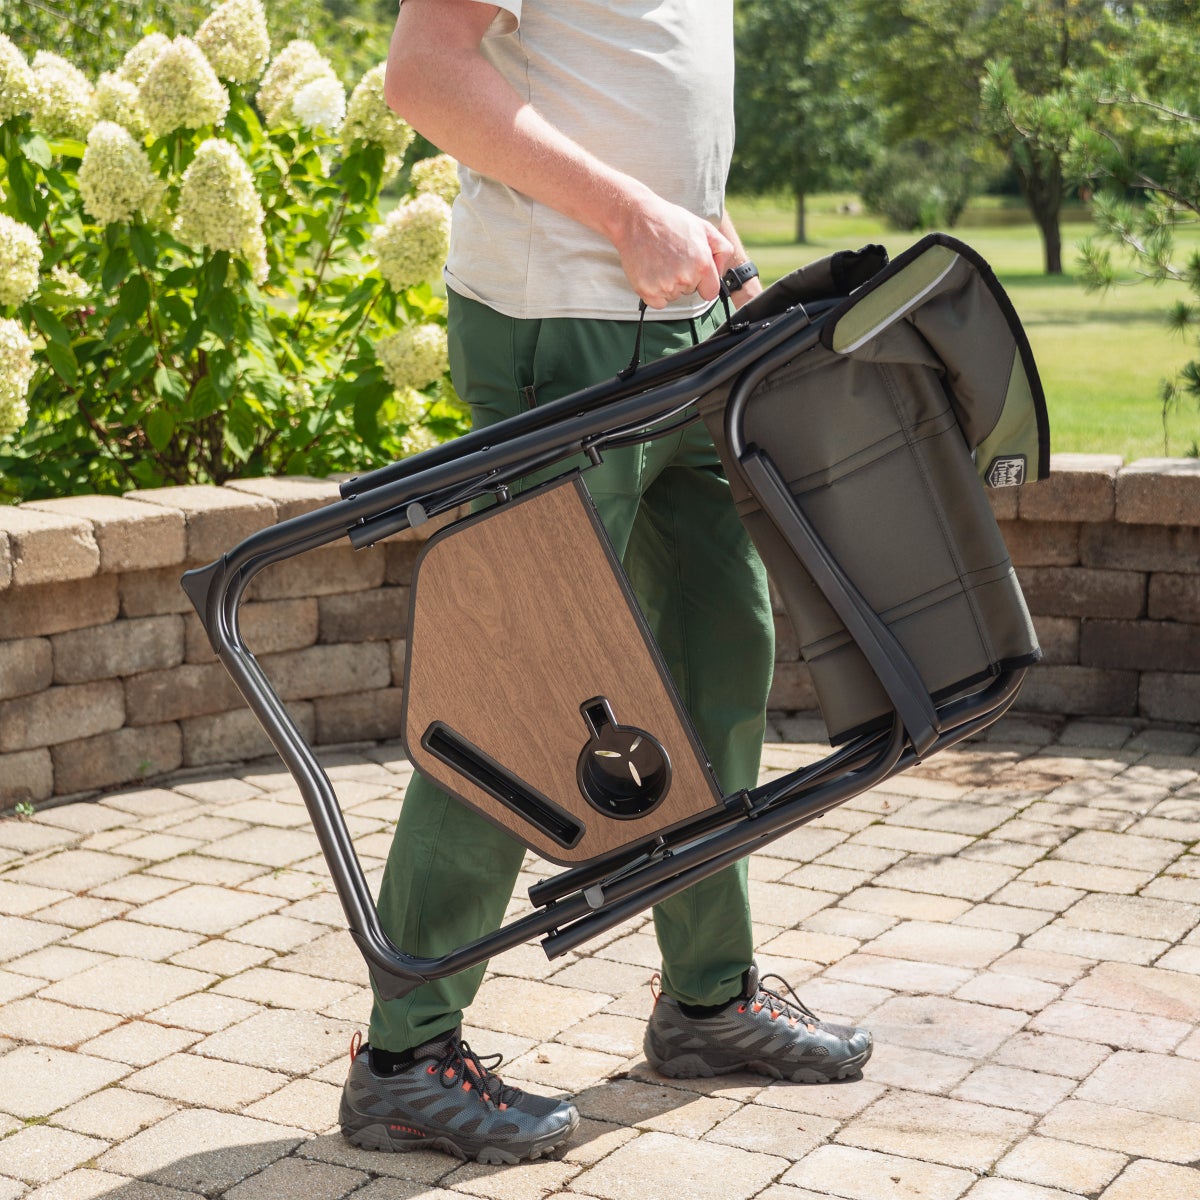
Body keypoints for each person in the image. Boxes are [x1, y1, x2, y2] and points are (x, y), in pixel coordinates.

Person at [339, 0, 873, 1165]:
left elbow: (642, 99)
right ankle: (405, 1058)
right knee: (522, 688)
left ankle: (707, 1000)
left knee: (720, 654)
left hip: (684, 326)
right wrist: (632, 216)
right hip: (560, 329)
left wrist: (719, 247)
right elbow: (424, 74)